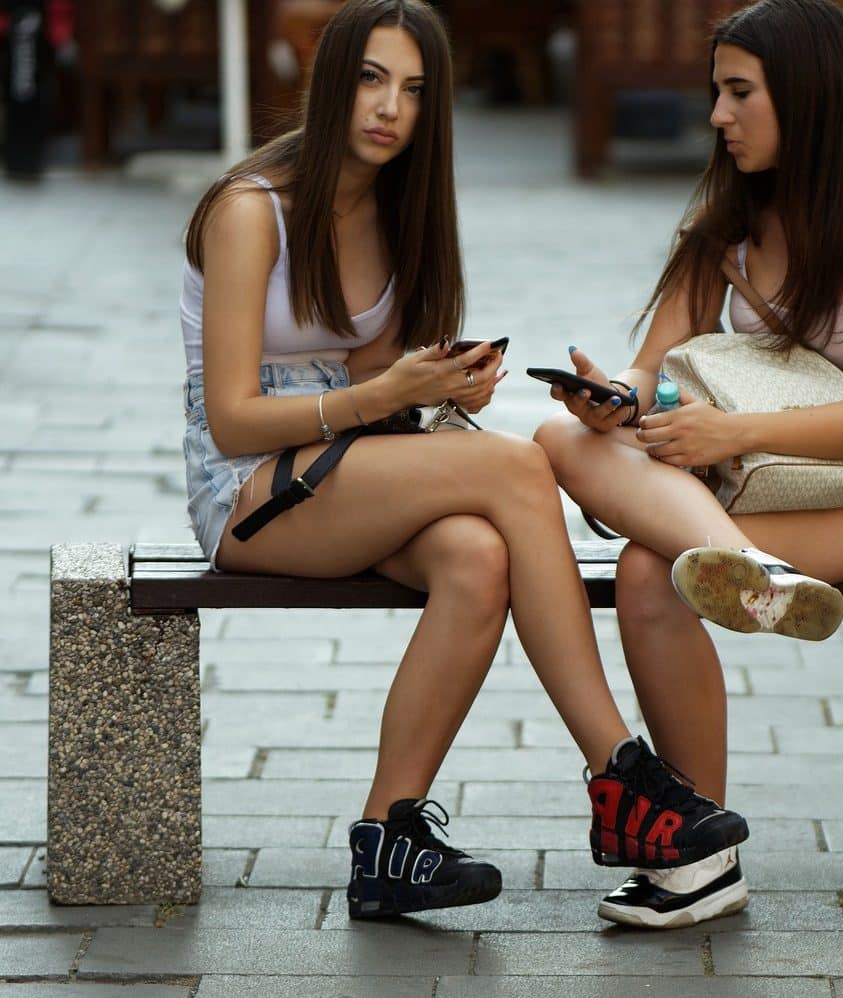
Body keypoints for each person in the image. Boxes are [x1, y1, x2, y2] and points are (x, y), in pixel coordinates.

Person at [179, 0, 747, 922]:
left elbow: (372, 380)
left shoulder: (398, 211)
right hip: (245, 490)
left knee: (479, 556)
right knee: (522, 470)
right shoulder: (252, 212)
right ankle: (621, 777)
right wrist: (381, 396)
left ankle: (387, 843)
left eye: (412, 89)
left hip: (342, 474)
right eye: (370, 79)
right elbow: (235, 419)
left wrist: (434, 389)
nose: (388, 108)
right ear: (331, 85)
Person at [535, 0, 843, 929]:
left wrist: (734, 436)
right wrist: (618, 399)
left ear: (806, 96)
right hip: (731, 491)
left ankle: (701, 858)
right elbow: (657, 367)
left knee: (653, 568)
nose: (718, 116)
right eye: (716, 93)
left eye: (739, 93)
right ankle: (701, 848)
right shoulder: (727, 218)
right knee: (555, 441)